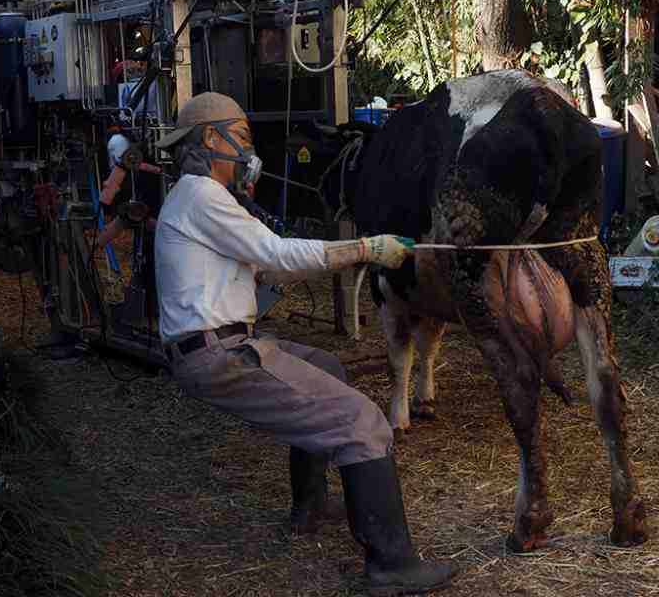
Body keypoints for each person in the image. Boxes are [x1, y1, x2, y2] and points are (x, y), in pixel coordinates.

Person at [153, 93, 458, 596]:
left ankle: (310, 504)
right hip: (220, 354)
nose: (251, 150)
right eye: (244, 138)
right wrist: (364, 247)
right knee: (365, 422)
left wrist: (347, 254)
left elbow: (270, 266)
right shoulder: (201, 195)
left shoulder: (201, 200)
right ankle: (392, 566)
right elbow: (277, 253)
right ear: (212, 139)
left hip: (218, 345)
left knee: (328, 367)